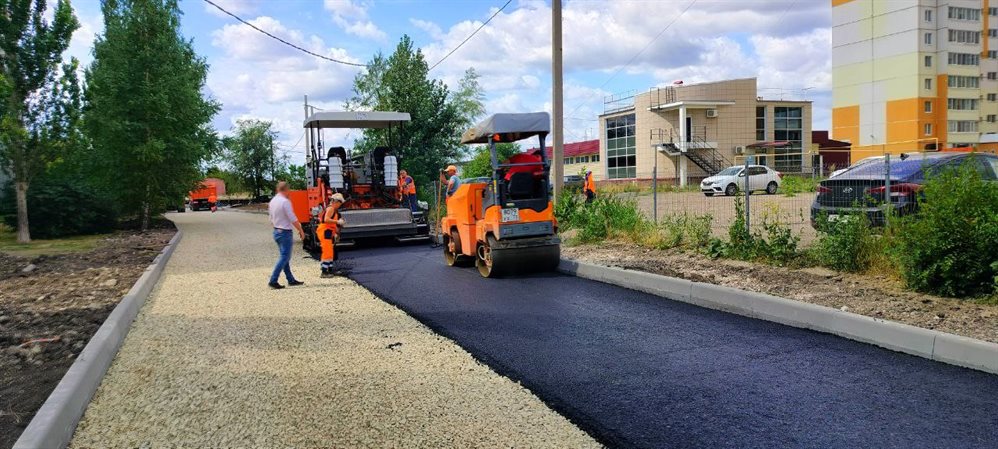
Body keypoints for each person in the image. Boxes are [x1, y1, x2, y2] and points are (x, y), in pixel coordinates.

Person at [267, 182, 305, 289]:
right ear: (286, 190)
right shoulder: (285, 202)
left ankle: (290, 279)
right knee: (285, 257)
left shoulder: (273, 201)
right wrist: (301, 230)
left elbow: (270, 219)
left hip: (277, 231)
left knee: (285, 257)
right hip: (285, 232)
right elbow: (292, 218)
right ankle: (273, 280)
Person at [317, 193, 346, 278]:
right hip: (325, 231)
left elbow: (332, 225)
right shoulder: (331, 209)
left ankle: (330, 270)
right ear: (336, 202)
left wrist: (337, 233)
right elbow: (326, 220)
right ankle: (324, 272)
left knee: (330, 251)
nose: (340, 206)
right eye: (340, 204)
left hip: (329, 231)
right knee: (327, 251)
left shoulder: (334, 210)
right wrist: (337, 222)